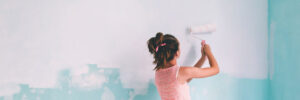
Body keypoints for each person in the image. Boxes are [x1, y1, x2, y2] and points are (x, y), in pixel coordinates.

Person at [147, 32, 219, 100]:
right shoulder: (180, 72)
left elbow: (185, 79)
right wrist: (208, 51)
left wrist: (203, 58)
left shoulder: (158, 73)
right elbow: (216, 69)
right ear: (177, 53)